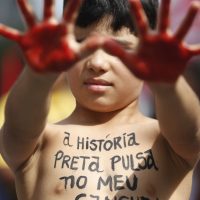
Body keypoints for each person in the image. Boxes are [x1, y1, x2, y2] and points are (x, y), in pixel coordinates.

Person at [0, 0, 200, 199]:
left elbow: (192, 134)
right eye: (81, 44)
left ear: (150, 53)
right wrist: (38, 76)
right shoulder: (40, 144)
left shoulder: (167, 143)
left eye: (119, 49)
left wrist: (169, 83)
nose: (97, 63)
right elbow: (17, 131)